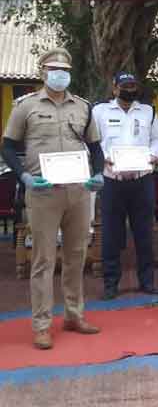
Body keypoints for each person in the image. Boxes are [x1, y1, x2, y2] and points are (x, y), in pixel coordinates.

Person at [0, 47, 104, 349]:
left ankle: (74, 314)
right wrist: (24, 176)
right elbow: (8, 147)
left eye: (65, 70)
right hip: (43, 191)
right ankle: (42, 325)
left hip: (78, 190)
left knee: (76, 255)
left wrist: (98, 174)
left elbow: (95, 148)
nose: (60, 75)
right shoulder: (25, 106)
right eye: (54, 69)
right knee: (43, 259)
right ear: (43, 72)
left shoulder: (83, 107)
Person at [92, 72, 158, 300]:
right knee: (111, 234)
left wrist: (152, 156)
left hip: (141, 181)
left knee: (144, 233)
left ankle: (147, 281)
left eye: (133, 86)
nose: (129, 90)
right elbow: (92, 141)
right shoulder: (99, 111)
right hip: (112, 182)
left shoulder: (148, 111)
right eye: (125, 86)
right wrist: (103, 158)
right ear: (114, 88)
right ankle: (111, 284)